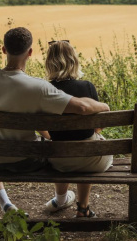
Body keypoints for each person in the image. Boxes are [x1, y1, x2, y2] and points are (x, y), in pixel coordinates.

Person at [0, 27, 110, 214]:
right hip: (26, 160)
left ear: (4, 50)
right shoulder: (37, 87)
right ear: (30, 52)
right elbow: (82, 108)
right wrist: (103, 106)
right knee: (64, 148)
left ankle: (6, 204)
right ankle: (67, 200)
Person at [40, 40, 113, 218]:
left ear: (49, 63)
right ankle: (83, 208)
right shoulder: (86, 87)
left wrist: (52, 137)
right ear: (74, 60)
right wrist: (93, 134)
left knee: (61, 147)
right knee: (91, 145)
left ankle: (60, 199)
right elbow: (99, 125)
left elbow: (39, 126)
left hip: (59, 161)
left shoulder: (44, 90)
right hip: (90, 160)